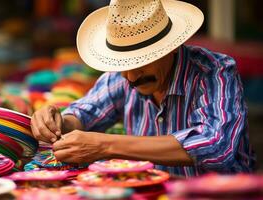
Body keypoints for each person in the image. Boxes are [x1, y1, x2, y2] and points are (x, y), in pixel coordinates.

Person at [30, 0, 255, 177]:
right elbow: (84, 113)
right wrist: (57, 122)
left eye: (140, 61)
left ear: (172, 47)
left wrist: (105, 145)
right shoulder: (122, 75)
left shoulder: (214, 71)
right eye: (123, 64)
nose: (130, 76)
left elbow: (216, 146)